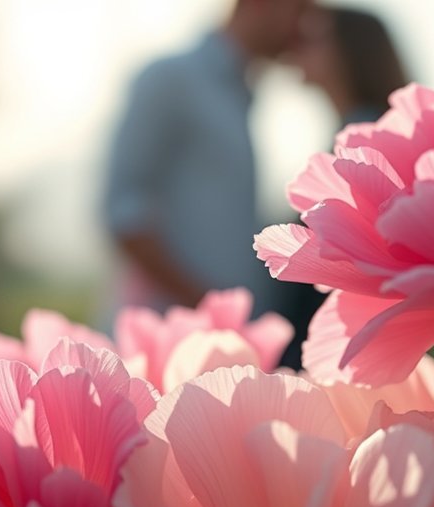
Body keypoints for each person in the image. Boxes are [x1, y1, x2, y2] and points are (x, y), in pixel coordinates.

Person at [103, 0, 313, 314]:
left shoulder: (239, 94)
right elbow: (124, 212)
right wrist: (207, 308)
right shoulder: (170, 79)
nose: (303, 30)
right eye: (300, 12)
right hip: (165, 337)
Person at [279, 5, 409, 368]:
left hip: (342, 342)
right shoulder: (362, 129)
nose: (297, 46)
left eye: (313, 37)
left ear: (349, 51)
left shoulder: (365, 141)